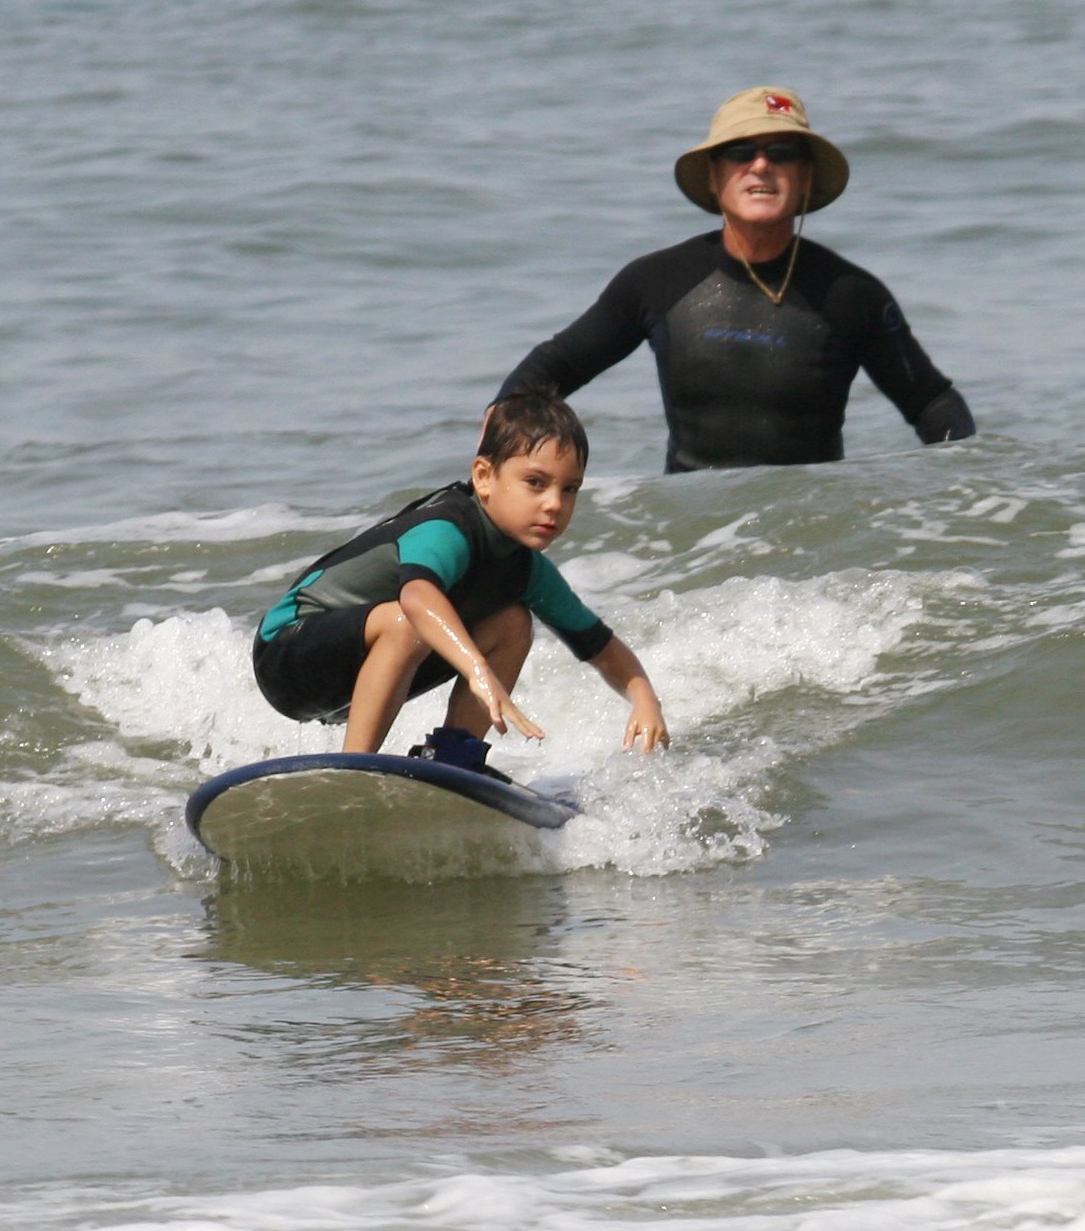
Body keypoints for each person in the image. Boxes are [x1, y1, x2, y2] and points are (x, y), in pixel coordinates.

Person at [495, 86, 975, 474]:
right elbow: (550, 370)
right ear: (712, 177)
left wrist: (968, 500)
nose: (761, 165)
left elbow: (932, 402)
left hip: (813, 530)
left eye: (782, 153)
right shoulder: (657, 281)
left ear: (806, 178)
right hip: (696, 537)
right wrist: (498, 473)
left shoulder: (851, 295)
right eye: (739, 152)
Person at [251, 391, 669, 776]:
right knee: (408, 620)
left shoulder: (526, 569)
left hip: (360, 675)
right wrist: (478, 670)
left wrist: (645, 699)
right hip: (287, 654)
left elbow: (600, 646)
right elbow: (418, 597)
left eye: (570, 488)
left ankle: (451, 761)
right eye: (535, 483)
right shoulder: (448, 528)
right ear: (484, 477)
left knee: (513, 621)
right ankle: (354, 772)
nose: (554, 504)